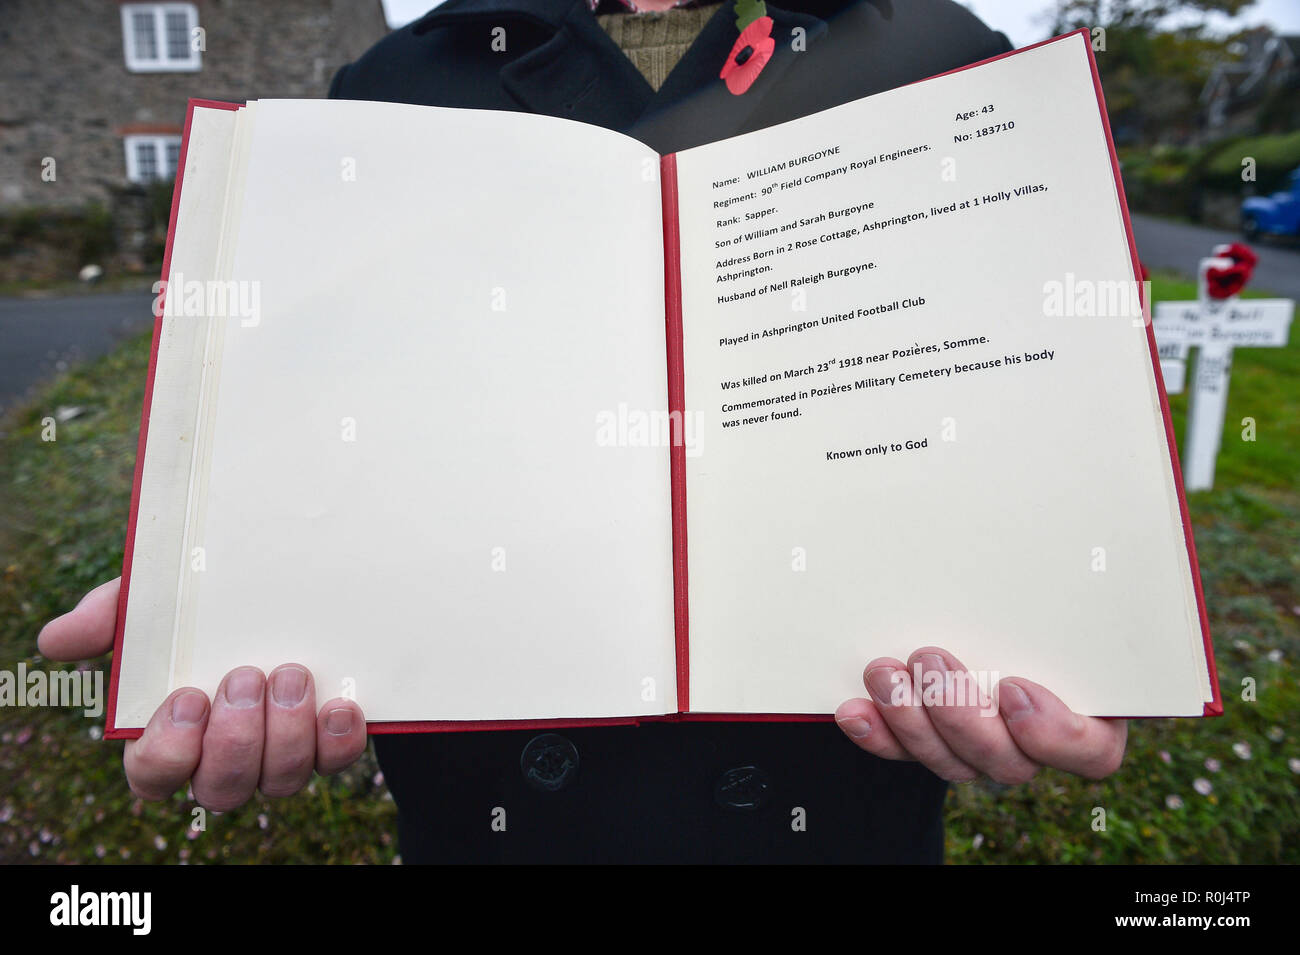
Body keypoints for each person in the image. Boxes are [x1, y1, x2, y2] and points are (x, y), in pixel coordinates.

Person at [39, 0, 1127, 863]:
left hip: (843, 799)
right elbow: (333, 402)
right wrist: (233, 584)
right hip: (501, 817)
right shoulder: (398, 83)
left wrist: (1089, 625)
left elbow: (1019, 386)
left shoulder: (944, 53)